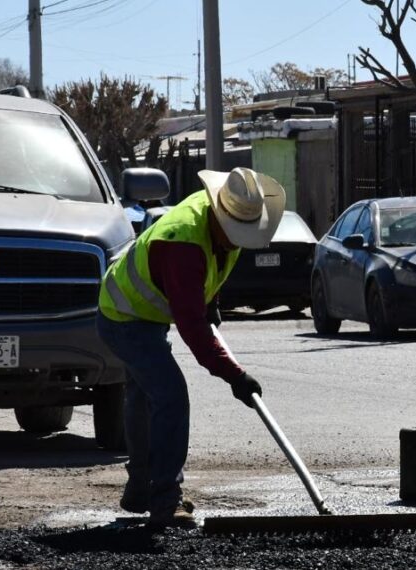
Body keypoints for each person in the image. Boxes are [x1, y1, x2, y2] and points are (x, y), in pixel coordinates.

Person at [96, 167, 285, 529]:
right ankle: (165, 499)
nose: (236, 241)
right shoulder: (181, 243)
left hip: (147, 312)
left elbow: (211, 270)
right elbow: (194, 332)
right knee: (169, 395)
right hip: (121, 315)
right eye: (233, 233)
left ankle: (140, 490)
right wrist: (235, 376)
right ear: (217, 213)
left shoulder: (229, 216)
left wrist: (208, 298)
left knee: (142, 397)